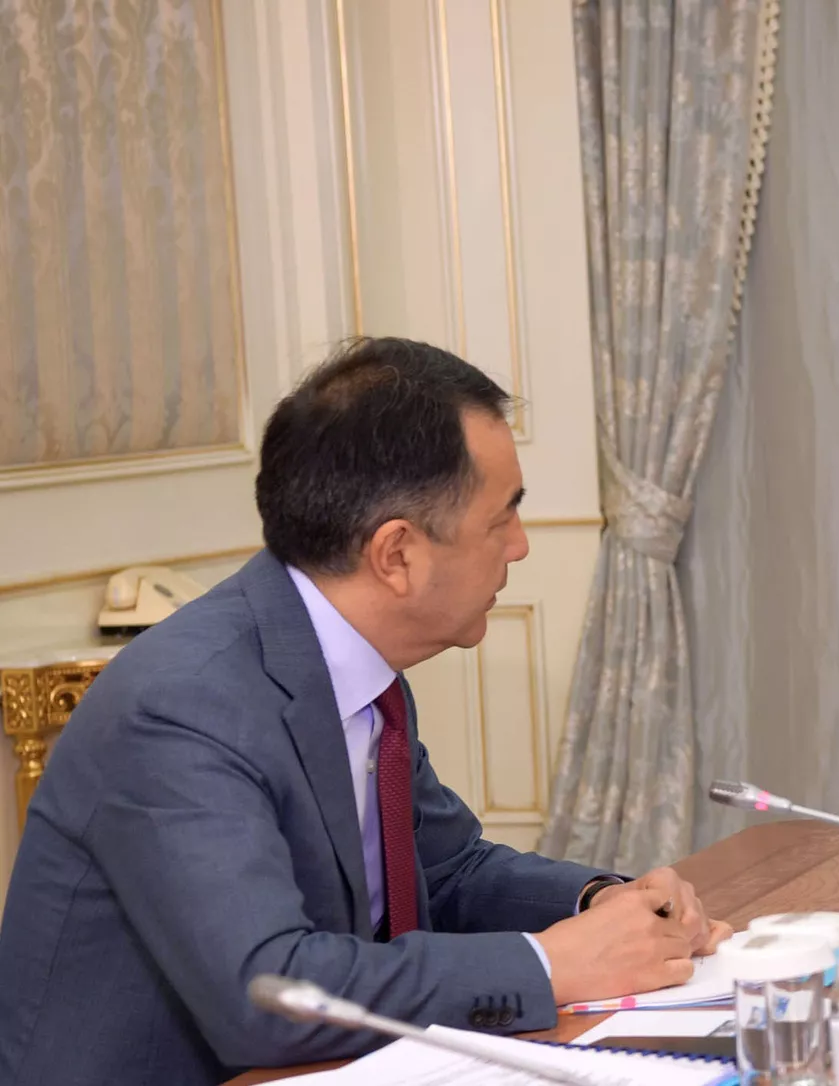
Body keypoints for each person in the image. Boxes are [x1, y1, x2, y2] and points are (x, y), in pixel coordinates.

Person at [0, 338, 730, 1085]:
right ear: (397, 555)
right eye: (501, 519)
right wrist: (547, 964)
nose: (519, 547)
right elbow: (269, 996)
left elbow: (444, 872)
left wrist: (604, 904)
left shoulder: (355, 662)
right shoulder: (182, 706)